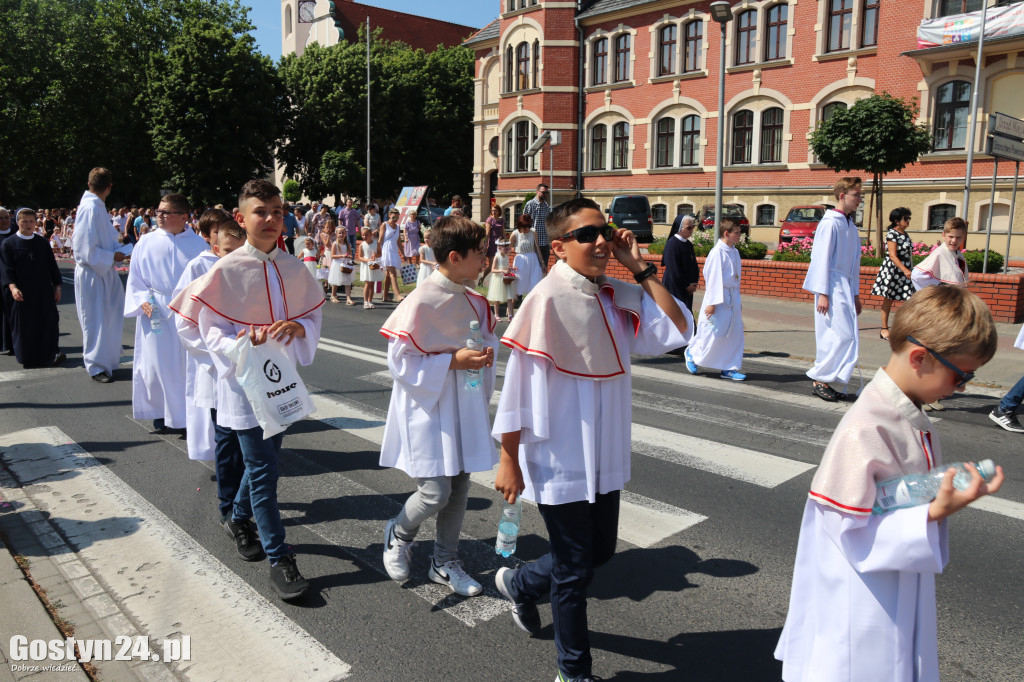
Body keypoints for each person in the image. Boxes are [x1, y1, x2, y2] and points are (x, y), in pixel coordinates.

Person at [492, 198, 692, 682]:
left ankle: (519, 583)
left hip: (603, 449)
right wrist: (508, 458)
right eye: (587, 235)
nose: (600, 241)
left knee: (598, 552)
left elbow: (680, 328)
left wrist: (638, 266)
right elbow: (517, 388)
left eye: (604, 231)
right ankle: (573, 672)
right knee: (576, 569)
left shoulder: (617, 295)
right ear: (558, 247)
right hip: (559, 450)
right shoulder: (544, 300)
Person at [774, 285, 1005, 682]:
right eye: (961, 375)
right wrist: (935, 511)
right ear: (920, 357)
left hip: (893, 585)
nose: (961, 387)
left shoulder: (903, 409)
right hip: (862, 603)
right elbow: (847, 533)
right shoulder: (866, 426)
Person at [170, 179, 324, 600]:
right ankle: (280, 559)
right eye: (261, 211)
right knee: (263, 472)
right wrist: (237, 345)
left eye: (277, 210)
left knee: (268, 461)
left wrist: (299, 327)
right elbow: (193, 325)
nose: (272, 219)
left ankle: (237, 516)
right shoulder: (225, 269)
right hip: (242, 387)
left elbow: (312, 319)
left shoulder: (294, 268)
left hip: (282, 383)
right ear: (240, 218)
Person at [379, 215, 496, 597]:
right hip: (428, 407)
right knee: (435, 491)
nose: (486, 259)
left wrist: (481, 360)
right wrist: (453, 362)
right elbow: (400, 363)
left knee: (460, 486)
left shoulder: (476, 300)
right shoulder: (422, 299)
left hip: (463, 403)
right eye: (480, 253)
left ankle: (443, 561)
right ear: (455, 256)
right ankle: (398, 533)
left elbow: (480, 343)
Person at [124, 193, 208, 431]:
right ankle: (161, 412)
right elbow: (136, 278)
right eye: (158, 211)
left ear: (183, 217)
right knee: (156, 365)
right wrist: (141, 300)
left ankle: (188, 415)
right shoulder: (146, 242)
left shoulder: (198, 245)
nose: (158, 216)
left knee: (186, 365)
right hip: (157, 309)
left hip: (187, 310)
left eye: (165, 212)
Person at [171, 208, 234, 462]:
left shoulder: (236, 260)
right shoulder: (198, 264)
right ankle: (214, 452)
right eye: (216, 231)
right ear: (207, 236)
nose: (221, 236)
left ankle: (233, 455)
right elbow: (185, 308)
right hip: (208, 346)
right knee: (213, 406)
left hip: (233, 344)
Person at [804, 177, 863, 402]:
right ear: (842, 196)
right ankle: (819, 379)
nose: (859, 199)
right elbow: (820, 258)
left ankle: (826, 379)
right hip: (831, 284)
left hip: (845, 286)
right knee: (836, 334)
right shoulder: (829, 223)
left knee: (847, 335)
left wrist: (856, 294)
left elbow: (855, 263)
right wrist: (823, 293)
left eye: (859, 195)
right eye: (855, 195)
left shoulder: (849, 224)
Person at [72, 168, 127, 383]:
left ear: (88, 183)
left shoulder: (97, 206)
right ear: (110, 187)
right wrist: (113, 256)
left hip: (103, 270)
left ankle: (108, 361)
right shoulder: (90, 208)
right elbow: (85, 249)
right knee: (94, 318)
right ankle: (96, 366)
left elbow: (105, 239)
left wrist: (120, 246)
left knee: (109, 316)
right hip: (93, 272)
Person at [0, 208, 66, 368]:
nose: (29, 225)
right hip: (22, 292)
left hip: (43, 290)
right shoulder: (8, 244)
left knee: (48, 322)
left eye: (31, 221)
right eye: (25, 221)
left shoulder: (42, 242)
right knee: (25, 326)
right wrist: (13, 288)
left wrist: (57, 286)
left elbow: (52, 266)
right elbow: (7, 270)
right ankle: (27, 357)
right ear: (18, 222)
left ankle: (50, 354)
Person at [684, 217, 746, 380]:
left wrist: (737, 301)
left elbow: (736, 278)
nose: (740, 235)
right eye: (737, 233)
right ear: (726, 233)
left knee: (733, 333)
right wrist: (712, 303)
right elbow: (712, 278)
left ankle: (728, 367)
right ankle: (693, 353)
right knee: (714, 332)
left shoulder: (734, 251)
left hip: (732, 297)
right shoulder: (717, 253)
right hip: (718, 298)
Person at [870, 207, 915, 341]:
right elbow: (893, 256)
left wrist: (911, 269)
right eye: (905, 218)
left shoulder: (905, 235)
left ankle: (906, 329)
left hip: (904, 270)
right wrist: (905, 270)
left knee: (909, 299)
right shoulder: (892, 234)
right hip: (893, 271)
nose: (908, 221)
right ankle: (884, 329)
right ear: (897, 221)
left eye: (909, 218)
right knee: (888, 299)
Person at [911, 217, 968, 290]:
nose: (954, 240)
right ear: (943, 235)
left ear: (964, 238)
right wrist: (938, 287)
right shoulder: (940, 253)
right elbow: (917, 275)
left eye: (959, 238)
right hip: (944, 297)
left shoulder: (958, 255)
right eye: (951, 236)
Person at [660, 214, 699, 316]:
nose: (691, 230)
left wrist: (694, 283)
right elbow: (674, 269)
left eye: (693, 227)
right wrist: (686, 285)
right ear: (680, 228)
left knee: (686, 313)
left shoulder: (688, 244)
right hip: (675, 286)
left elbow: (694, 265)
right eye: (689, 228)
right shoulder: (672, 244)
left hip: (688, 288)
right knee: (676, 314)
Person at [377, 208, 404, 303]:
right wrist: (377, 251)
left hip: (394, 250)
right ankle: (398, 295)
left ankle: (385, 296)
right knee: (393, 273)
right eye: (393, 216)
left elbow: (399, 241)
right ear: (389, 215)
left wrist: (403, 253)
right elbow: (380, 239)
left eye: (397, 217)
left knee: (388, 275)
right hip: (386, 250)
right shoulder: (384, 224)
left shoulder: (397, 226)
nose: (395, 218)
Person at [510, 214, 542, 296]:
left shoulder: (533, 232)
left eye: (527, 226)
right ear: (519, 226)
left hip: (533, 260)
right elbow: (508, 249)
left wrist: (542, 263)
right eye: (523, 226)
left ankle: (532, 305)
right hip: (520, 261)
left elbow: (537, 248)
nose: (526, 229)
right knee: (519, 285)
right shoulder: (515, 234)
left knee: (534, 283)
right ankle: (511, 307)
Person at [523, 183, 552, 272]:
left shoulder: (546, 206)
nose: (546, 195)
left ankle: (542, 284)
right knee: (533, 268)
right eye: (544, 192)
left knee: (544, 267)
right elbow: (524, 222)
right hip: (533, 242)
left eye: (547, 193)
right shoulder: (530, 204)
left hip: (545, 242)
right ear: (537, 192)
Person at [486, 240, 516, 321]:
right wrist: (502, 271)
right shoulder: (497, 257)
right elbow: (492, 270)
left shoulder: (506, 257)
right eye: (505, 249)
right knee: (497, 298)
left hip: (506, 279)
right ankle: (496, 315)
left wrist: (510, 269)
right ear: (499, 248)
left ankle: (510, 315)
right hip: (498, 279)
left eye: (508, 249)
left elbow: (506, 267)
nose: (507, 251)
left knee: (509, 297)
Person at [328, 225, 356, 305]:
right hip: (337, 264)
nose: (341, 234)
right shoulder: (335, 244)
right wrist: (341, 256)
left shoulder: (347, 244)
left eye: (343, 233)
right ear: (336, 234)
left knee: (347, 281)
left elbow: (350, 253)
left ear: (345, 234)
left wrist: (350, 256)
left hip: (345, 264)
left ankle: (348, 298)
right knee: (336, 281)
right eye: (339, 233)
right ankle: (333, 295)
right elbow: (333, 256)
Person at [0, 206, 14, 355]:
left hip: (11, 280)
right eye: (0, 218)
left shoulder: (15, 235)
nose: (4, 221)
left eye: (6, 217)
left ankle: (11, 342)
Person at [358, 226, 383, 309]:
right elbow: (360, 257)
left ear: (371, 234)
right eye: (363, 235)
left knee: (372, 284)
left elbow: (380, 253)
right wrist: (368, 260)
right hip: (366, 265)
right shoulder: (362, 245)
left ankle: (370, 301)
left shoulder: (376, 243)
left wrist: (376, 255)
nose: (364, 237)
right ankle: (365, 301)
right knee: (367, 283)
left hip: (373, 265)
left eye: (366, 235)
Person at [483, 205, 505, 278]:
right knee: (492, 265)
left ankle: (497, 281)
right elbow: (487, 233)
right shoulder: (489, 220)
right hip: (492, 242)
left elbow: (503, 232)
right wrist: (486, 244)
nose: (493, 212)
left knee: (499, 263)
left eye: (495, 210)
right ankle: (482, 278)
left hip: (499, 243)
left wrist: (506, 241)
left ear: (499, 211)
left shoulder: (501, 220)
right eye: (492, 210)